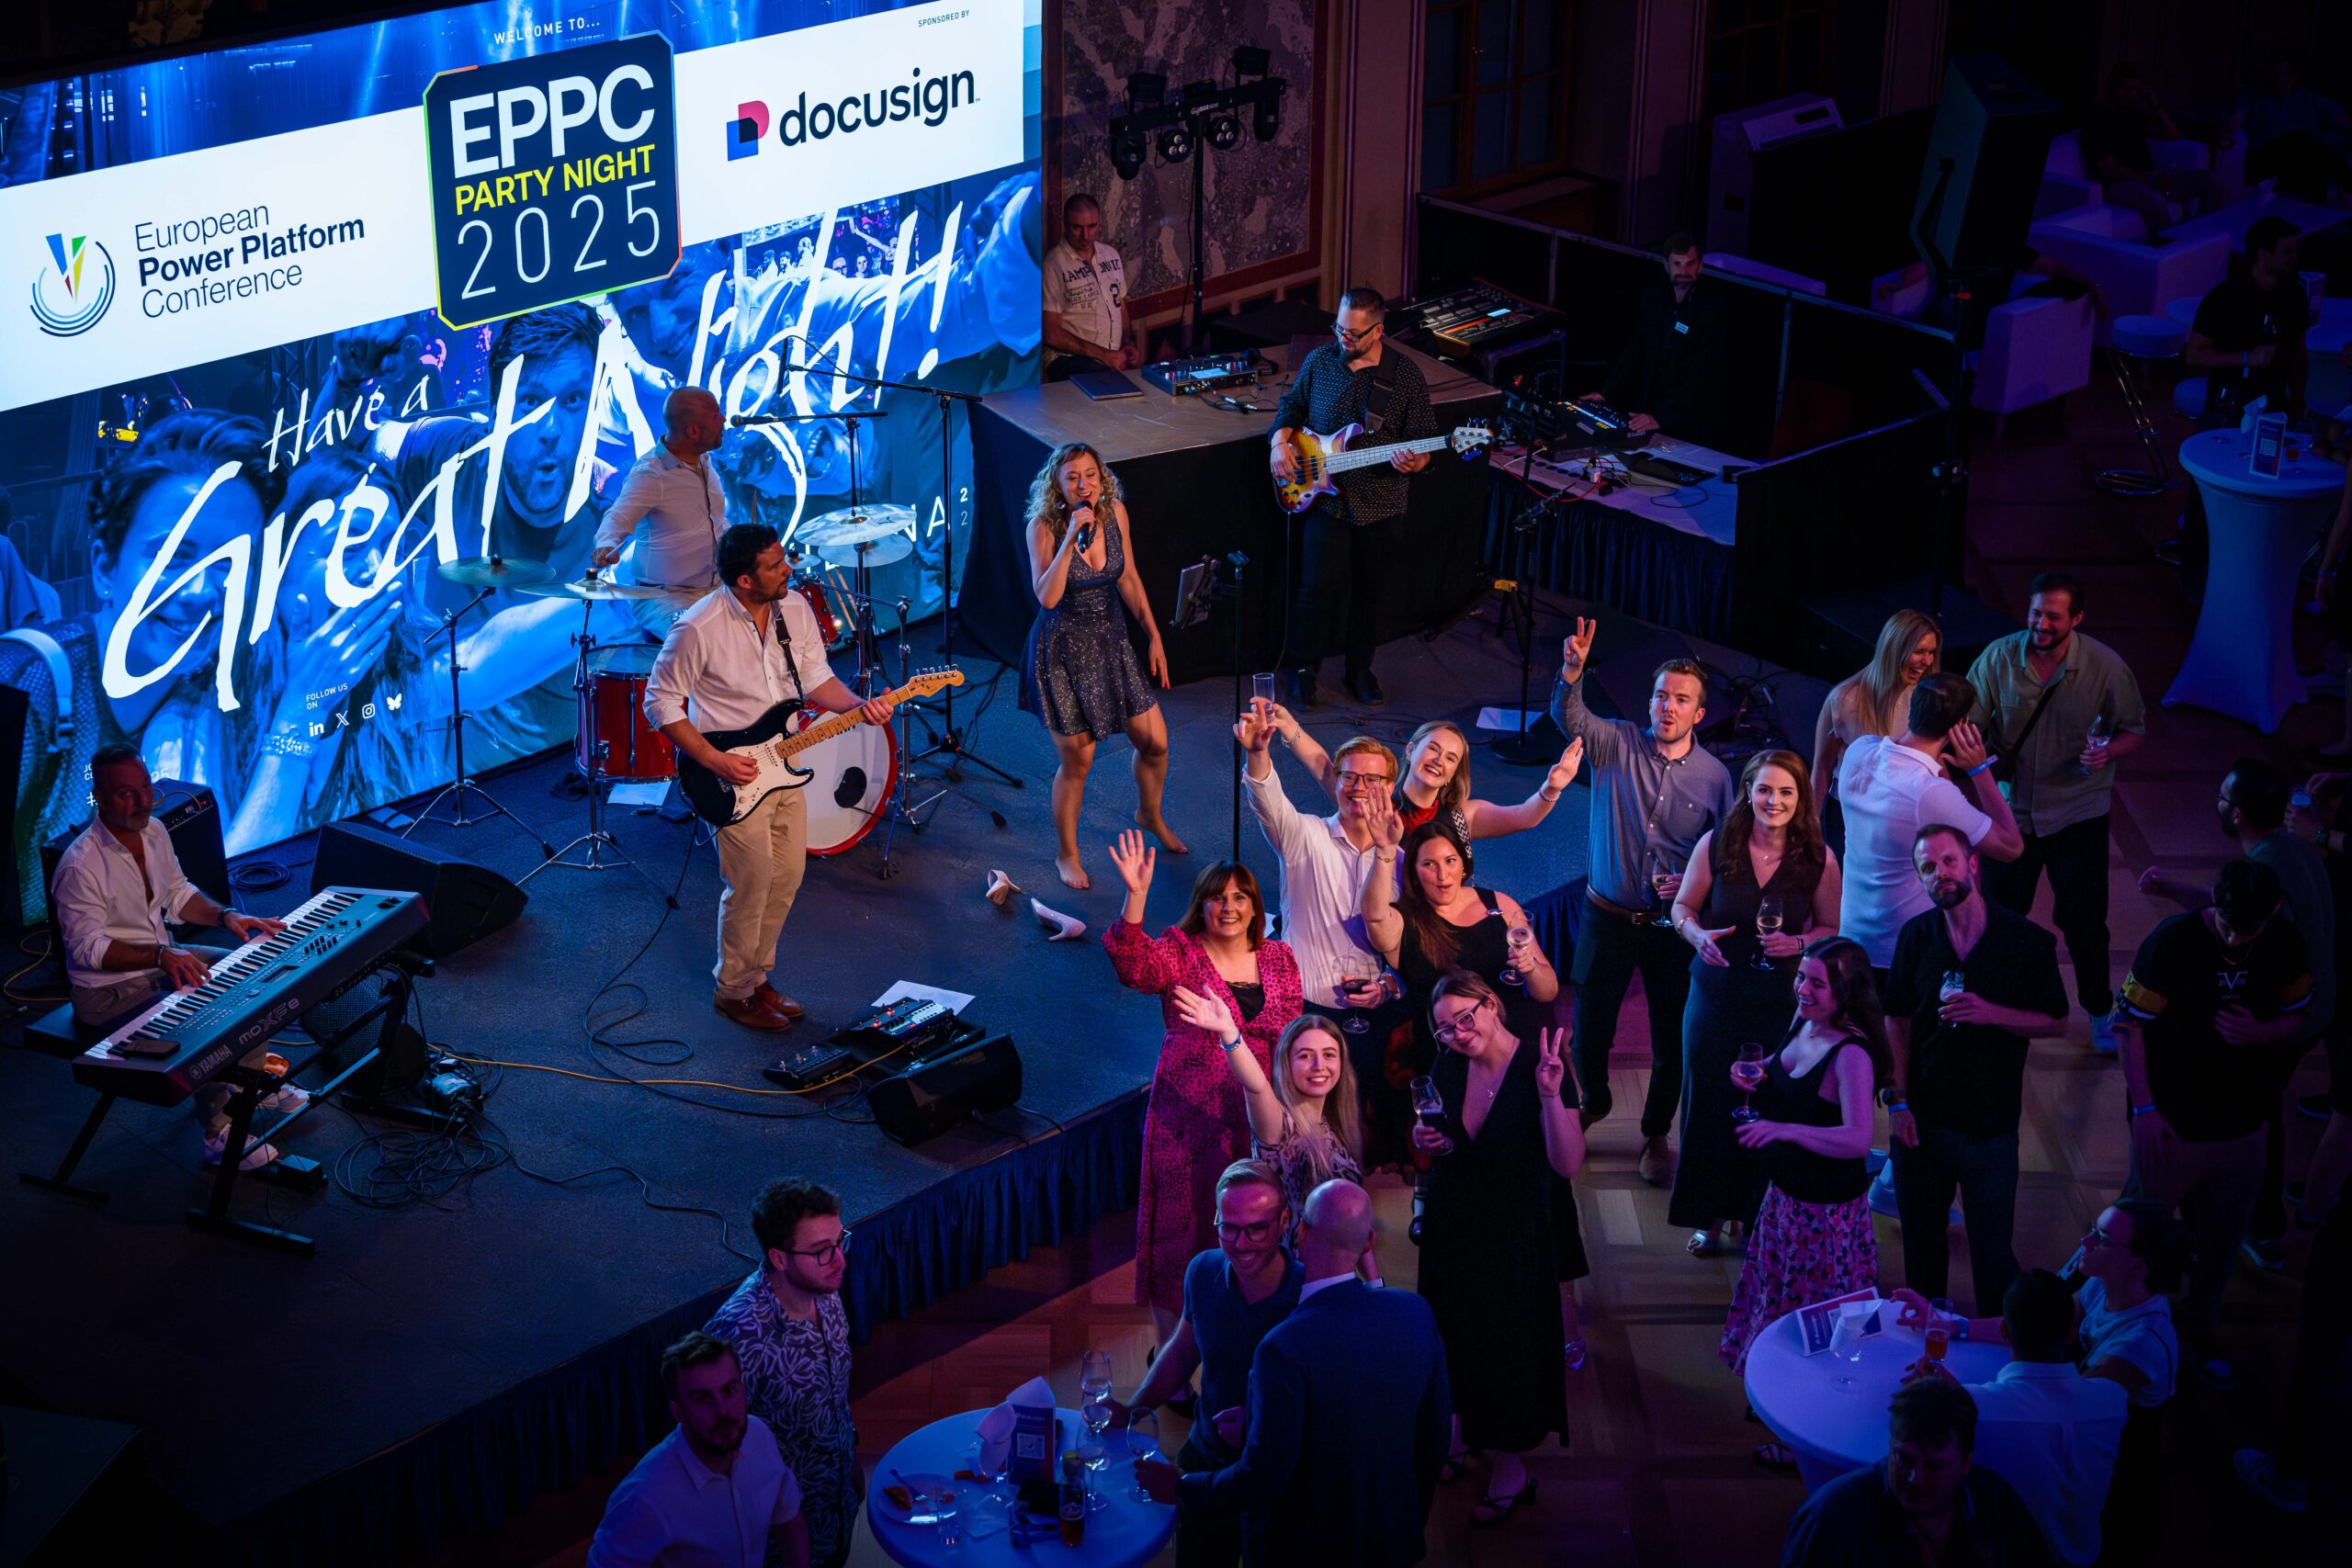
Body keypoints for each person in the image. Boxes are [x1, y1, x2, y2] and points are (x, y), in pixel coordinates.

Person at [646, 524, 893, 1031]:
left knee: (786, 878)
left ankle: (756, 978)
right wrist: (715, 761)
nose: (788, 570)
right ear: (744, 580)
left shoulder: (795, 608)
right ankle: (732, 991)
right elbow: (660, 702)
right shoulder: (698, 627)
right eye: (776, 565)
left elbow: (817, 677)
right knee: (751, 882)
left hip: (783, 764)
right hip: (729, 774)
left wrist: (859, 706)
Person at [1144, 1180, 1448, 1567]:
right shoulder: (1415, 1312)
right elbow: (1434, 1435)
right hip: (1390, 1537)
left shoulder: (1282, 1347)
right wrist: (1408, 1516)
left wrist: (1182, 1487)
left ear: (1299, 1229)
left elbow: (1264, 1475)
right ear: (1368, 1241)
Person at [1893, 1200, 2189, 1565]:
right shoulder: (2102, 1285)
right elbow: (2040, 1321)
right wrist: (1953, 1325)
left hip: (2119, 1483)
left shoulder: (2143, 1343)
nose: (2085, 1242)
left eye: (2101, 1239)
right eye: (2092, 1230)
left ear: (2140, 1265)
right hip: (2072, 1449)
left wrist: (1961, 1397)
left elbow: (2061, 1405)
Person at [1547, 615, 1737, 1182]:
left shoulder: (1715, 778)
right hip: (1605, 915)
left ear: (1699, 713)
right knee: (1590, 1027)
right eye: (1660, 696)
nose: (1667, 707)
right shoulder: (1617, 742)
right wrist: (1573, 672)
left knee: (1669, 1035)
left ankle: (1655, 1132)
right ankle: (1594, 1101)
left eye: (1680, 699)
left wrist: (1695, 884)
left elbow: (1724, 857)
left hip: (1669, 928)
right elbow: (1569, 718)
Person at [2113, 857, 2312, 1390]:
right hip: (2170, 1127)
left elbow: (2298, 1016)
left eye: (2249, 930)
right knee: (2136, 1237)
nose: (2235, 937)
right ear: (2214, 904)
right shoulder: (2172, 943)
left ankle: (2196, 1333)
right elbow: (2128, 1027)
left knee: (2222, 1245)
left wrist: (2262, 1033)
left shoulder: (2284, 942)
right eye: (2227, 924)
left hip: (2245, 1129)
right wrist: (2145, 1110)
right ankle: (2119, 1333)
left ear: (2273, 912)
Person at [1103, 832, 1303, 1360]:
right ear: (1202, 905)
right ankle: (1169, 1353)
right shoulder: (1180, 951)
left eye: (1240, 896)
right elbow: (1133, 967)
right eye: (1217, 897)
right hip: (1187, 1119)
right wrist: (1136, 897)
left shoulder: (1280, 959)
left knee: (1252, 1227)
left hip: (1256, 1117)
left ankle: (1245, 1339)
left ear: (1256, 907)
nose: (1229, 907)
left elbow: (1291, 1035)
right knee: (1180, 1230)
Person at [51, 744, 295, 1169]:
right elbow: (86, 950)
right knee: (205, 1019)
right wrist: (162, 954)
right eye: (126, 793)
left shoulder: (154, 831)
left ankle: (250, 1084)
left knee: (253, 977)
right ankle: (218, 1134)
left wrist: (227, 915)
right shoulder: (79, 866)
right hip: (109, 994)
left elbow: (178, 894)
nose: (142, 801)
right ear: (100, 797)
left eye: (145, 787)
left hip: (160, 960)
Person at [2143, 758, 2335, 1273]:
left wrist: (2266, 1030)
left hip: (2293, 1017)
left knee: (2258, 1115)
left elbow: (2261, 943)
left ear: (2239, 814)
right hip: (2322, 1005)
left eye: (2223, 798)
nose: (2218, 803)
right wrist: (2179, 890)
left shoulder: (2268, 872)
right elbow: (2239, 911)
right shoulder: (2290, 850)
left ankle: (2263, 1228)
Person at [1412, 974, 1584, 1526]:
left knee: (1506, 1347)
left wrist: (1550, 1095)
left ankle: (1510, 1465)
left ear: (1491, 1004)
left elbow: (1567, 1163)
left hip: (1515, 1233)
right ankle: (1458, 1430)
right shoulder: (1448, 1064)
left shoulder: (1543, 1064)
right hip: (1453, 1225)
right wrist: (1424, 1139)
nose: (1459, 1034)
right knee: (1451, 1332)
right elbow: (1441, 1138)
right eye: (1445, 1029)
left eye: (1466, 1018)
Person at [1882, 824, 2071, 1314]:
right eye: (1928, 867)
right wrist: (1896, 1100)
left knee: (1992, 1252)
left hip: (1990, 1129)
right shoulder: (1916, 937)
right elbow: (1896, 1020)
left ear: (1972, 864)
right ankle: (1923, 1338)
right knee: (1922, 1247)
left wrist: (1992, 1013)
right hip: (1921, 1123)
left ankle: (1993, 1343)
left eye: (1948, 861)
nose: (1940, 873)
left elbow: (2057, 1022)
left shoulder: (2026, 941)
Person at [1668, 750, 1842, 1258]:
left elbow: (1831, 928)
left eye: (1786, 792)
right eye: (1764, 789)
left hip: (1779, 1001)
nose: (1774, 801)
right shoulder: (1718, 842)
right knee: (1708, 1103)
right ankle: (1708, 1218)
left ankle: (1754, 1216)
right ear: (1748, 791)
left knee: (1765, 1104)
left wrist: (1799, 943)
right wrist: (1696, 935)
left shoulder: (1819, 859)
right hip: (1715, 994)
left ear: (1801, 798)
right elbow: (1682, 906)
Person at [1963, 574, 2144, 1051]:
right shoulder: (1998, 658)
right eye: (2035, 613)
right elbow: (1970, 726)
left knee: (2085, 922)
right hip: (2012, 813)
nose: (2040, 624)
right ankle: (1989, 1002)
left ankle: (2099, 1010)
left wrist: (2109, 753)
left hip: (2078, 813)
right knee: (1998, 916)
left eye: (2053, 617)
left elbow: (2133, 730)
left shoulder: (2106, 667)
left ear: (2077, 619)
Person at [1105, 1161, 1303, 1568]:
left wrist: (1259, 1425)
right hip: (1206, 1461)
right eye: (1228, 1228)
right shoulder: (1203, 1271)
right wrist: (1133, 1409)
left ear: (1284, 1221)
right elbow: (1182, 1350)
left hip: (1280, 1479)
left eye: (1256, 1229)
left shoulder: (1307, 1297)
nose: (1241, 1244)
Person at [1719, 938, 1887, 1394]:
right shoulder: (1804, 1019)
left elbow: (1858, 1140)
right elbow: (1782, 1065)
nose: (1803, 990)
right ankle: (1774, 1392)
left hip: (1826, 1217)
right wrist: (1757, 1069)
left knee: (1817, 1321)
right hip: (1785, 1201)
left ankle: (1811, 1403)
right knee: (1776, 1300)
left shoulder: (1851, 1055)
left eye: (1817, 983)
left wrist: (1785, 1129)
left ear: (1845, 992)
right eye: (1800, 977)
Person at [1266, 287, 1436, 708]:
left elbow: (1424, 440)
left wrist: (1417, 461)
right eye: (1339, 328)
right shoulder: (1320, 361)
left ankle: (1360, 670)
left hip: (1381, 501)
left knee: (1371, 593)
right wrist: (1279, 443)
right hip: (1324, 498)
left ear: (1378, 331)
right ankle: (1302, 672)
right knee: (1314, 590)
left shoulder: (1405, 376)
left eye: (1353, 334)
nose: (1343, 338)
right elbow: (1291, 406)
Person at [1020, 442, 1178, 889]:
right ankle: (1067, 854)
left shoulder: (1115, 514)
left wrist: (1154, 635)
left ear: (1101, 478)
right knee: (1079, 759)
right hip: (1062, 651)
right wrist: (1071, 536)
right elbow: (1048, 597)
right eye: (1072, 477)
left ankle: (1148, 813)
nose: (1083, 484)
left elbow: (1128, 577)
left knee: (1156, 743)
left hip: (1111, 643)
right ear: (1058, 485)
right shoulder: (1042, 527)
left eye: (1090, 475)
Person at [1361, 813, 1559, 1161]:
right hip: (1448, 1059)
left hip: (1509, 1049)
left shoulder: (1499, 904)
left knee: (1520, 1150)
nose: (1443, 874)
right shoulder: (1403, 921)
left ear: (1463, 863)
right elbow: (1374, 916)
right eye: (1429, 864)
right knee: (1458, 1155)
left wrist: (1531, 969)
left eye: (1450, 861)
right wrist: (1384, 850)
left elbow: (1548, 991)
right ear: (1414, 873)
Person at [1904, 1269, 2126, 1568]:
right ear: (2071, 1333)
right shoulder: (2113, 1401)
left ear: (2004, 1331)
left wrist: (1947, 1393)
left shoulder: (1973, 1409)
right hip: (2087, 1558)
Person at [704, 1179, 860, 1568]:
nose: (839, 1261)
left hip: (836, 1510)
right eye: (822, 1251)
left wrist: (851, 1462)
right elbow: (711, 1449)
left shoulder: (824, 1288)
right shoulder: (740, 1333)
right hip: (779, 1543)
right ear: (778, 1258)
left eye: (839, 1242)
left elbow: (833, 1399)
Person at [1837, 672, 2023, 979]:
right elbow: (2011, 847)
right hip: (1902, 947)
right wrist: (1979, 769)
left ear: (1913, 708)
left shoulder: (1859, 750)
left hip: (1853, 936)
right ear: (1961, 725)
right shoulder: (1929, 792)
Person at [586, 1331, 810, 1568]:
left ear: (743, 1391)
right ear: (678, 1413)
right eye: (703, 1399)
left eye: (729, 1391)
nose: (723, 1411)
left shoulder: (758, 1435)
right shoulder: (646, 1497)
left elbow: (788, 1516)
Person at [1777, 1378, 2052, 1568]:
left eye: (1934, 1466)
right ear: (1890, 1445)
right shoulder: (1830, 1522)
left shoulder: (1996, 1504)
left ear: (1966, 1462)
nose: (1914, 1478)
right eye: (1903, 1459)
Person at [1237, 706, 1393, 1028]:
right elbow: (1267, 800)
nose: (1359, 786)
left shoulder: (1399, 860)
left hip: (1370, 1014)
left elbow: (1415, 944)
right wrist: (1257, 753)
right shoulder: (1304, 835)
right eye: (1349, 777)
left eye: (1372, 779)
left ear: (1389, 788)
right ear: (1336, 783)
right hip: (1299, 1008)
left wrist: (1389, 986)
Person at [1175, 1004, 1368, 1262]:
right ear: (1286, 1063)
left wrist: (1373, 1280)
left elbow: (1355, 1222)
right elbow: (1256, 1086)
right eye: (1305, 1056)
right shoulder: (1280, 1126)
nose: (1319, 1065)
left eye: (1329, 1055)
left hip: (1339, 1270)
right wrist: (1230, 1034)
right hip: (1298, 1272)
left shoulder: (1336, 1125)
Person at [1265, 712, 1584, 863]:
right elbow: (1324, 767)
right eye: (1433, 749)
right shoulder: (1376, 804)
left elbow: (1524, 816)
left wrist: (1551, 787)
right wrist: (1290, 727)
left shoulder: (1464, 816)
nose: (1438, 761)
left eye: (1450, 758)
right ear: (1410, 750)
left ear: (1452, 774)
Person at [592, 387, 729, 640]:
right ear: (693, 431)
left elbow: (716, 522)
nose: (723, 419)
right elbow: (618, 516)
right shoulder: (651, 473)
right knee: (703, 643)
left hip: (715, 590)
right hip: (666, 598)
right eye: (715, 415)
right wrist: (606, 544)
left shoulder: (703, 461)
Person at [1812, 609, 1942, 855]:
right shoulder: (1844, 701)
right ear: (1894, 649)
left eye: (1931, 652)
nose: (1927, 661)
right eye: (1919, 652)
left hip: (1902, 819)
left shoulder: (1925, 700)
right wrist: (1808, 830)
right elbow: (1822, 769)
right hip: (1849, 817)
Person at [1588, 232, 1732, 450]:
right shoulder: (1655, 294)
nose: (1683, 271)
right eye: (1677, 264)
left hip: (1689, 423)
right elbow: (1635, 347)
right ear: (1667, 266)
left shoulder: (1711, 308)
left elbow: (1701, 373)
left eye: (1690, 264)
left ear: (1700, 266)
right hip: (1648, 411)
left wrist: (1661, 417)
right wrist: (1604, 392)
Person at [2082, 62, 2218, 241]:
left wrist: (2154, 103)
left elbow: (2173, 134)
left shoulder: (2134, 115)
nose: (2129, 94)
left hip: (2149, 177)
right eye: (2123, 88)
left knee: (2211, 180)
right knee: (2155, 198)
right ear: (2111, 87)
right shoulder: (2097, 117)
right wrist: (2150, 180)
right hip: (2116, 185)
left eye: (2134, 90)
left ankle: (2207, 241)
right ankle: (2170, 249)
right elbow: (2109, 168)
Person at [2225, 51, 2352, 200]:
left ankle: (2316, 210)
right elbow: (2232, 124)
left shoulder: (2313, 100)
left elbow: (2347, 124)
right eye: (2269, 73)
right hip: (2264, 161)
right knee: (2298, 138)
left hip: (2301, 165)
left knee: (2311, 163)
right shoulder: (2253, 96)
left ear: (2293, 76)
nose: (2272, 78)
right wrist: (2226, 132)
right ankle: (2346, 178)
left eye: (2278, 74)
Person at [1041, 194, 1142, 380]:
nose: (1085, 236)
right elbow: (1051, 334)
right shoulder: (1054, 265)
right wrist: (1104, 355)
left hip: (1109, 359)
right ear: (1065, 225)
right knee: (1106, 383)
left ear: (1099, 224)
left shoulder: (1110, 254)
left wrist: (1128, 342)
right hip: (1069, 359)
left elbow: (1120, 306)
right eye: (1077, 228)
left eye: (1091, 226)